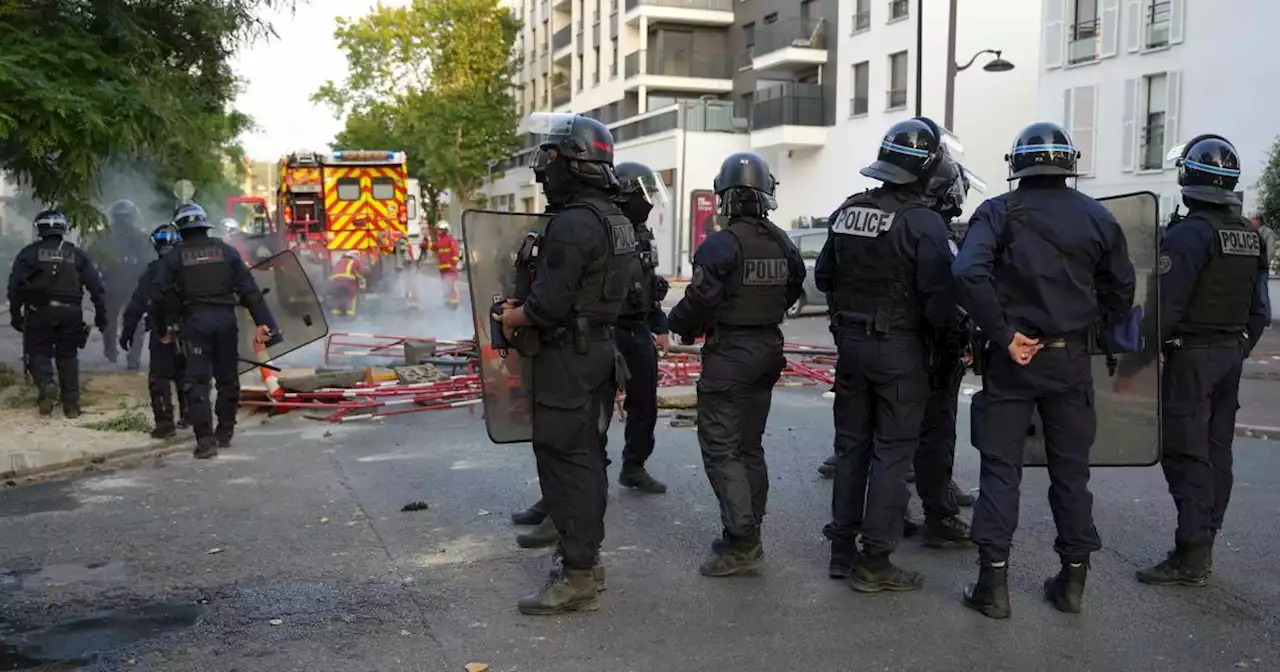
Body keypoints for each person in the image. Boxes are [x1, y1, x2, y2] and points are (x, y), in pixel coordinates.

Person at [953, 121, 1135, 618]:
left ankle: (993, 587)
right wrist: (1096, 328)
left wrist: (1005, 334)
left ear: (1017, 166)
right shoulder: (1098, 217)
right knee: (1071, 473)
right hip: (1070, 360)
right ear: (1068, 163)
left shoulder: (997, 212)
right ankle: (1073, 582)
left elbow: (967, 271)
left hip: (1010, 362)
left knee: (1000, 472)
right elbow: (1121, 289)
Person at [495, 113, 636, 615]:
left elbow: (547, 306)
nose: (544, 170)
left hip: (567, 358)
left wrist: (514, 315)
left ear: (572, 163)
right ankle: (587, 562)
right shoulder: (615, 219)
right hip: (600, 351)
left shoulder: (574, 223)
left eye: (550, 159)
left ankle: (576, 575)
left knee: (565, 461)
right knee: (587, 459)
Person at [1116, 135, 1269, 587]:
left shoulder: (1187, 236)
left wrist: (1132, 365)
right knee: (1216, 450)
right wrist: (1238, 348)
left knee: (1185, 450)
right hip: (1229, 357)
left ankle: (1191, 553)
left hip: (1192, 359)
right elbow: (1260, 311)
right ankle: (1205, 539)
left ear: (1189, 179)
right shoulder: (1249, 236)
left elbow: (1166, 309)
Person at [816, 117, 961, 592]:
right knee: (893, 454)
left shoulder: (850, 210)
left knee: (852, 446)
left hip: (851, 347)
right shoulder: (924, 222)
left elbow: (823, 278)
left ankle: (841, 549)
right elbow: (940, 304)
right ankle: (875, 561)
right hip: (900, 350)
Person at [668, 152, 805, 577]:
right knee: (749, 446)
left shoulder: (721, 243)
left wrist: (678, 325)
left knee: (722, 448)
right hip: (768, 349)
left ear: (725, 196)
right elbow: (794, 287)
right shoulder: (783, 241)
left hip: (731, 356)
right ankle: (745, 531)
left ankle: (742, 542)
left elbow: (701, 299)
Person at [150, 204, 278, 459]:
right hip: (225, 321)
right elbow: (249, 289)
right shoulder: (227, 252)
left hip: (194, 323)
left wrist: (164, 328)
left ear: (181, 229)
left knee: (197, 382)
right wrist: (264, 322)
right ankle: (225, 431)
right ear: (204, 225)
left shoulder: (173, 257)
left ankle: (206, 441)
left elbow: (158, 294)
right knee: (228, 378)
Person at [608, 161, 672, 495]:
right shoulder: (602, 229)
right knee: (595, 409)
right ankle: (585, 478)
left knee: (644, 404)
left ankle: (634, 466)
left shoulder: (643, 234)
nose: (648, 202)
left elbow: (648, 285)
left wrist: (659, 326)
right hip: (605, 330)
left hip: (637, 329)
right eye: (643, 195)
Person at [7, 210, 108, 417]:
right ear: (63, 229)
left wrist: (15, 314)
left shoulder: (28, 254)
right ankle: (71, 405)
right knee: (68, 356)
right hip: (71, 313)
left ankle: (46, 384)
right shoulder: (77, 254)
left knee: (38, 353)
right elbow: (96, 287)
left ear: (39, 230)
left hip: (38, 312)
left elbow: (14, 287)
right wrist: (101, 314)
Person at [119, 224, 190, 438]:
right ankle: (190, 416)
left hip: (162, 332)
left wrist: (127, 332)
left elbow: (137, 304)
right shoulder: (190, 269)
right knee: (187, 374)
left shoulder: (152, 271)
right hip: (190, 329)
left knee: (159, 378)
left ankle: (165, 424)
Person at [101, 199, 149, 369]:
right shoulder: (104, 237)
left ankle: (127, 355)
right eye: (122, 217)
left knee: (119, 321)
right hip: (119, 284)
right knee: (115, 321)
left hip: (127, 285)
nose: (124, 221)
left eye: (126, 217)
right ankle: (119, 353)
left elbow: (147, 262)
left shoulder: (140, 237)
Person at [434, 221, 462, 307]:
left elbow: (455, 252)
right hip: (443, 268)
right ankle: (447, 302)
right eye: (438, 230)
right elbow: (435, 247)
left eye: (440, 230)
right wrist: (426, 244)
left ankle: (454, 302)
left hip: (450, 267)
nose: (438, 232)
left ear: (445, 230)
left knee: (452, 284)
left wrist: (454, 264)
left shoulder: (451, 240)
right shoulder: (441, 241)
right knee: (445, 285)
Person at [328, 252, 364, 317]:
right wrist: (361, 277)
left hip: (336, 282)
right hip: (348, 281)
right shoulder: (354, 261)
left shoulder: (338, 262)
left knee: (337, 296)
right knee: (351, 296)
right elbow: (361, 272)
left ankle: (335, 313)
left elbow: (332, 273)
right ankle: (350, 313)